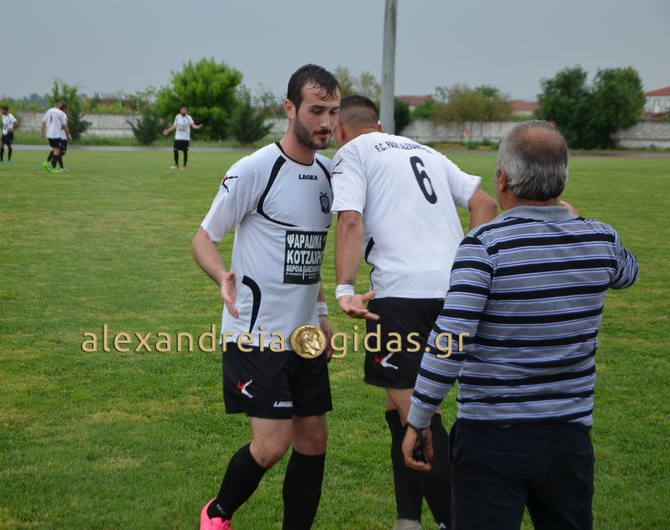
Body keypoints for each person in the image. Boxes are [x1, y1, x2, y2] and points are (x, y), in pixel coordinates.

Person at [403, 121, 639, 530]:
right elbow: (628, 273)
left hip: (491, 435)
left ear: (502, 180)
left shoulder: (484, 245)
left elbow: (449, 341)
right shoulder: (601, 240)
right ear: (562, 180)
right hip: (569, 434)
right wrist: (574, 219)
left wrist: (419, 417)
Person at [330, 95, 497, 530]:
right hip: (454, 297)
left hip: (402, 300)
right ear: (380, 126)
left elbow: (350, 220)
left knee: (418, 418)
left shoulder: (351, 152)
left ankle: (453, 522)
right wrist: (467, 266)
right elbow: (486, 205)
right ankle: (408, 518)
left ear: (341, 129)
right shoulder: (426, 151)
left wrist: (345, 288)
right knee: (398, 406)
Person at [191, 64, 340, 530]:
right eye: (317, 110)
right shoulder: (256, 169)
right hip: (256, 333)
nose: (327, 123)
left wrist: (321, 312)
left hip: (304, 336)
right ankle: (217, 513)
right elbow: (203, 238)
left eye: (333, 112)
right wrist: (221, 275)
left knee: (313, 441)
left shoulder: (329, 174)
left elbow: (308, 256)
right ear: (290, 108)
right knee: (272, 445)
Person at [40, 99, 72, 173]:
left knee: (56, 150)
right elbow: (65, 125)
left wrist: (42, 133)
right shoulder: (60, 113)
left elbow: (43, 122)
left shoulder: (48, 111)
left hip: (49, 134)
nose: (61, 105)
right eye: (61, 104)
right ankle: (51, 166)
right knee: (57, 151)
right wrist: (68, 134)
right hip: (56, 135)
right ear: (59, 104)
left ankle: (49, 164)